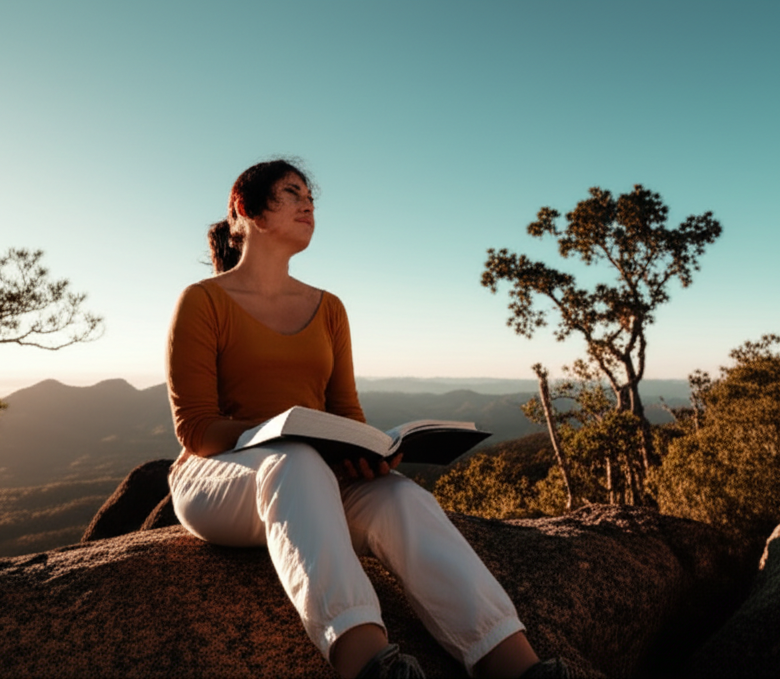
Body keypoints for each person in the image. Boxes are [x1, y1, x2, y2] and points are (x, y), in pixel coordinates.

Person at [166, 159, 570, 679]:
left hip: (315, 475)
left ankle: (518, 667)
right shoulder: (203, 301)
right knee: (296, 461)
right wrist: (282, 434)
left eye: (310, 195)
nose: (308, 204)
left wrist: (365, 452)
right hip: (221, 478)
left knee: (402, 497)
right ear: (246, 209)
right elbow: (197, 429)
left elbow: (346, 415)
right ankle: (368, 664)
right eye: (291, 193)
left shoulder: (328, 308)